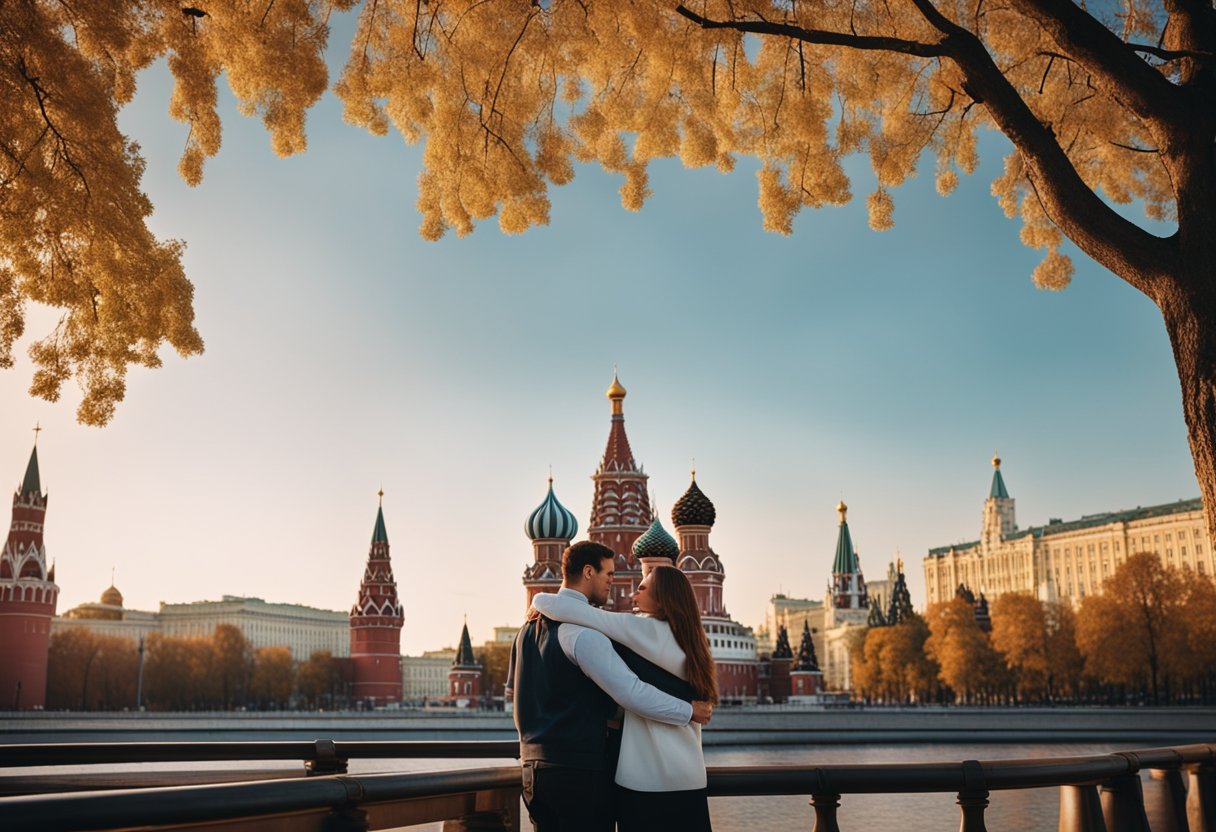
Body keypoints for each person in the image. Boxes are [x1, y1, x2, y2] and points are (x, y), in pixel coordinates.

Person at [506, 542, 714, 832]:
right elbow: (630, 691)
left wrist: (539, 600)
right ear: (588, 572)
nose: (614, 586)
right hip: (580, 773)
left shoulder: (524, 631)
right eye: (609, 575)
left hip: (532, 771)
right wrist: (688, 711)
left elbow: (516, 694)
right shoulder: (585, 633)